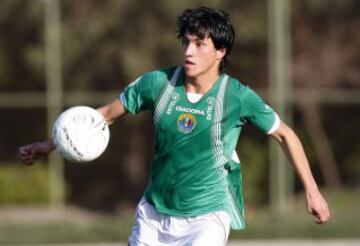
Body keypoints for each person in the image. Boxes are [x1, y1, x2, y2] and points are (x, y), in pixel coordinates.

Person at [18, 6, 330, 246]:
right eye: (187, 42)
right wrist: (49, 145)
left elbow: (285, 134)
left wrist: (312, 192)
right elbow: (101, 117)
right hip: (155, 211)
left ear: (221, 52)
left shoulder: (237, 96)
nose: (189, 51)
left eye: (200, 44)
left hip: (207, 215)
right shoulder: (157, 83)